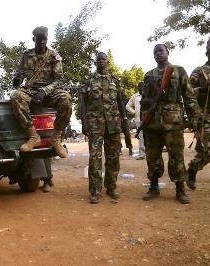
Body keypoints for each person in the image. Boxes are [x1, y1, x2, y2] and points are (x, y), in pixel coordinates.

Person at [141, 44, 200, 204]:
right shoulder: (148, 75)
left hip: (173, 122)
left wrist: (195, 119)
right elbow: (145, 101)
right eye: (155, 52)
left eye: (161, 51)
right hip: (152, 123)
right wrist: (144, 121)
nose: (158, 54)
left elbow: (189, 97)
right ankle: (153, 187)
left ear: (168, 52)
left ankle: (180, 189)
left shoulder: (178, 71)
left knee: (176, 156)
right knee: (152, 156)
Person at [10, 26, 72, 158]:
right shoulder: (26, 55)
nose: (43, 42)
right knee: (16, 96)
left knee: (66, 98)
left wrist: (44, 91)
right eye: (39, 40)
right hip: (31, 90)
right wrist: (16, 79)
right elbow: (18, 79)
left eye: (45, 39)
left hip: (49, 91)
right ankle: (33, 136)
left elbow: (59, 80)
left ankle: (55, 138)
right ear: (34, 39)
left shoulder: (54, 56)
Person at [80, 52, 128, 204]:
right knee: (95, 158)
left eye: (103, 59)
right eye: (98, 59)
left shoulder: (115, 80)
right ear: (96, 62)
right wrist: (84, 122)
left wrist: (125, 119)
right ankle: (94, 190)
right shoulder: (89, 80)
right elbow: (83, 102)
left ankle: (111, 187)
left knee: (113, 157)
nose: (101, 61)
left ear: (107, 61)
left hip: (113, 124)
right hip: (95, 124)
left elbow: (120, 101)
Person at [186, 34, 210, 190]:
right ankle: (192, 170)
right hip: (208, 116)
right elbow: (187, 92)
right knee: (206, 151)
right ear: (208, 51)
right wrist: (203, 88)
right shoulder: (200, 71)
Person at [126, 82, 146, 159]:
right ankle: (142, 154)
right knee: (141, 137)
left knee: (149, 136)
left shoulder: (148, 95)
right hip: (138, 119)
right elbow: (127, 106)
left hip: (148, 119)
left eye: (142, 86)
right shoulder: (135, 96)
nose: (141, 88)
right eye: (139, 87)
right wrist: (134, 112)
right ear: (138, 88)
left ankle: (150, 153)